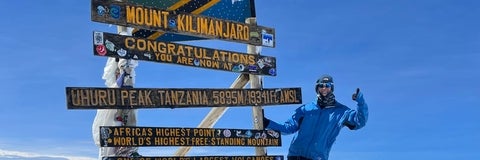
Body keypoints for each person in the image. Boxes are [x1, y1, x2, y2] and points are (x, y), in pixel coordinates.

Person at [263, 74, 368, 160]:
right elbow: (288, 127)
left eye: (327, 85)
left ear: (331, 88)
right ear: (317, 88)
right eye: (321, 85)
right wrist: (268, 123)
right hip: (295, 155)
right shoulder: (306, 108)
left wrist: (360, 101)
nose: (324, 88)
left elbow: (360, 121)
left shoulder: (341, 111)